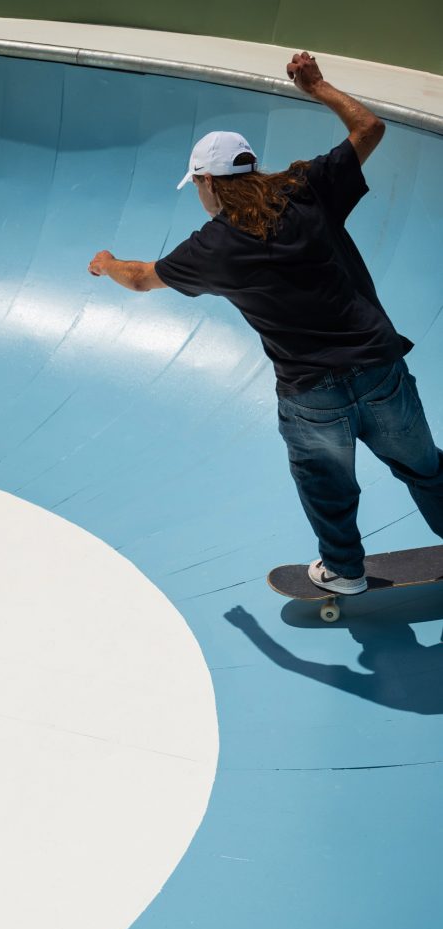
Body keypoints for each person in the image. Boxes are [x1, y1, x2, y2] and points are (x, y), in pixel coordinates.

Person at [89, 51, 443, 595]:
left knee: (325, 485)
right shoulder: (306, 188)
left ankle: (344, 571)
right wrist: (317, 86)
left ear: (208, 181)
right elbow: (369, 127)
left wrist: (106, 263)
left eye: (200, 186)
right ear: (250, 168)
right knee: (426, 469)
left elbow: (139, 278)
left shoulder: (215, 246)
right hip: (378, 367)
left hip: (310, 392)